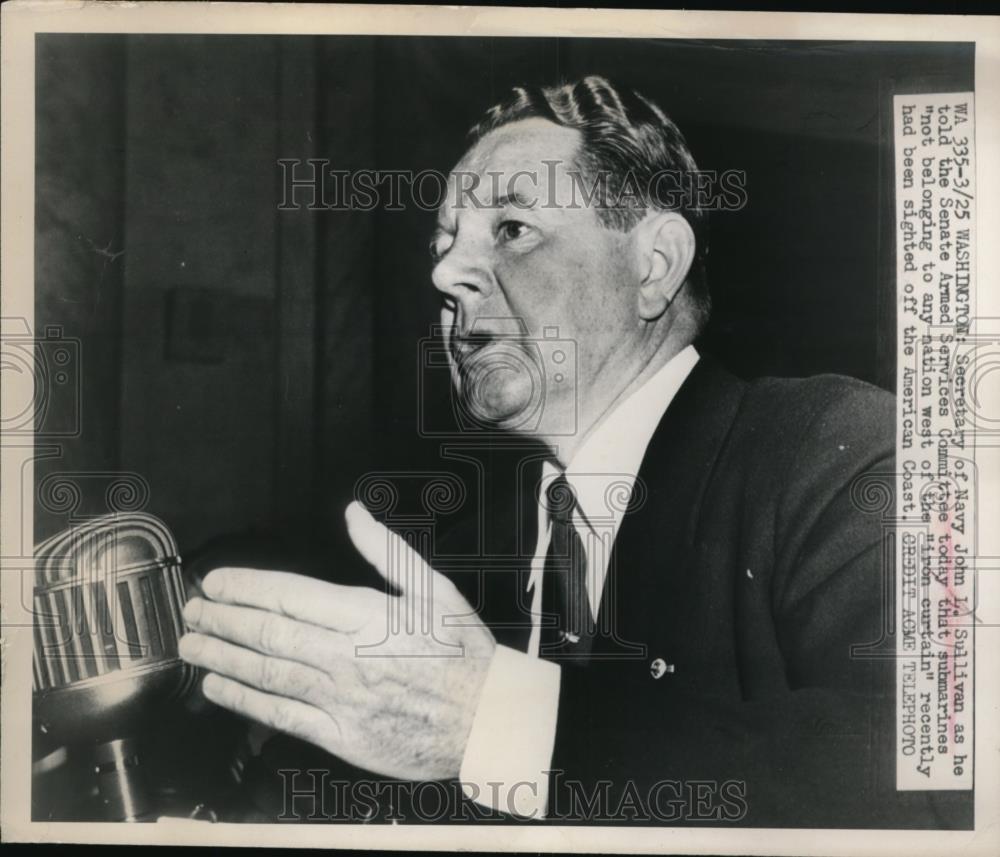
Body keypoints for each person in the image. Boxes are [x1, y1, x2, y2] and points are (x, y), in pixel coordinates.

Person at [177, 77, 964, 827]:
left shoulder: (843, 454)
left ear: (653, 267)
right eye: (443, 243)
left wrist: (494, 717)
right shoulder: (463, 556)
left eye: (513, 230)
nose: (446, 273)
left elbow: (941, 782)